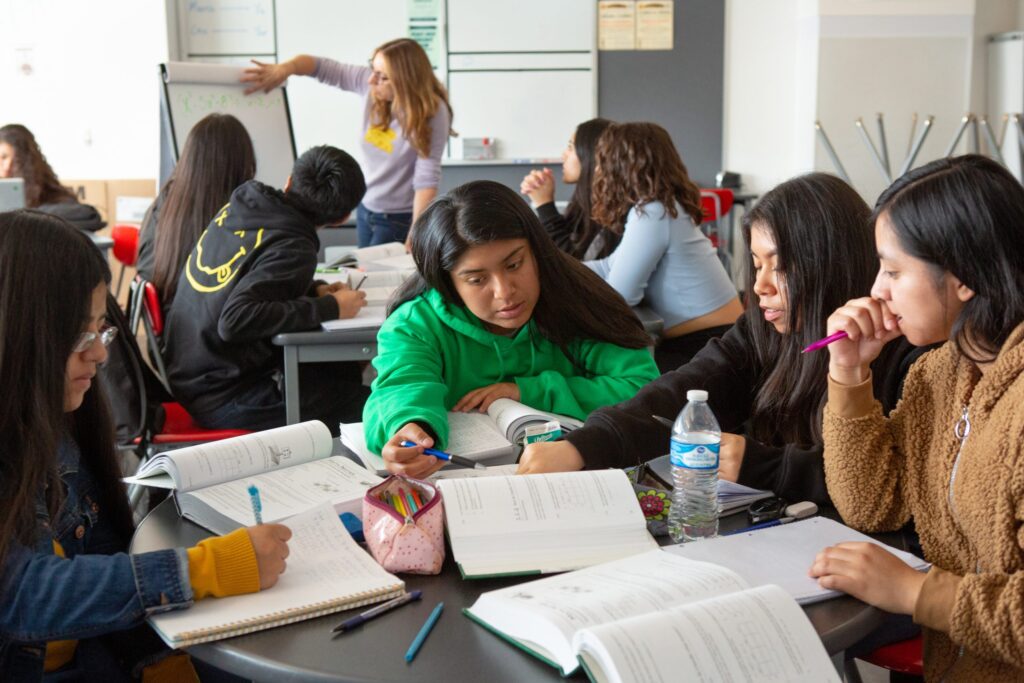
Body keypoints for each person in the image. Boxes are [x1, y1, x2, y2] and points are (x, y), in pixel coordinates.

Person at [518, 173, 931, 509]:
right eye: (755, 264)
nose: (760, 286)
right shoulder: (763, 329)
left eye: (780, 267)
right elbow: (681, 391)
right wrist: (583, 446)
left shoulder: (906, 352)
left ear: (831, 265)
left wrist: (763, 465)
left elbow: (890, 485)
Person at [0, 210, 290, 681]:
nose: (99, 352)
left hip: (101, 652)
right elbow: (24, 596)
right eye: (80, 333)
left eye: (101, 328)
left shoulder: (57, 428)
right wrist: (208, 567)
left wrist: (155, 658)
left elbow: (103, 549)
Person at [809, 155, 1024, 681]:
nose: (877, 290)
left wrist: (914, 591)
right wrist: (849, 374)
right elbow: (871, 504)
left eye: (893, 269)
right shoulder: (940, 374)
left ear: (964, 278)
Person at [365, 180, 660, 479]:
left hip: (580, 478)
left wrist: (528, 391)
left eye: (515, 264)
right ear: (447, 283)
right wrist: (410, 427)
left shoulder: (576, 301)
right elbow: (402, 386)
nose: (505, 292)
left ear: (536, 250)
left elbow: (643, 388)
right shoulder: (416, 324)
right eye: (477, 280)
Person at [162, 146, 370, 435]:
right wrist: (331, 308)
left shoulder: (245, 205)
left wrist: (315, 290)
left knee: (340, 372)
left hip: (189, 372)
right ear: (342, 218)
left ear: (288, 182)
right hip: (223, 395)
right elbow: (235, 320)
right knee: (371, 404)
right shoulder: (295, 245)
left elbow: (247, 277)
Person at [241, 39, 453, 248]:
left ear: (405, 81)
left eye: (383, 77)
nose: (371, 80)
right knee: (366, 271)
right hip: (365, 207)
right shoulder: (369, 85)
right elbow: (320, 67)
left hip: (399, 217)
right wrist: (286, 68)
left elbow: (426, 176)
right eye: (373, 68)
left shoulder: (433, 112)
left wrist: (417, 231)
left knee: (385, 279)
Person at [583, 122, 743, 372]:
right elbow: (609, 266)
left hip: (708, 345)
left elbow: (620, 296)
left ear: (619, 164)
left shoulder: (653, 212)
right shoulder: (660, 208)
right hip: (714, 340)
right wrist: (557, 266)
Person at [136, 113, 257, 310]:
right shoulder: (236, 217)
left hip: (174, 327)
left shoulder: (164, 204)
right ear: (242, 164)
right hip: (210, 333)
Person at [519, 118, 620, 259]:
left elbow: (574, 264)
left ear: (591, 155)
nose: (563, 155)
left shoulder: (612, 211)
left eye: (571, 148)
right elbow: (572, 238)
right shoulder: (587, 199)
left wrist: (544, 205)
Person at [0, 124, 104, 231]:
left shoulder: (47, 190)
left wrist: (29, 217)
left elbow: (87, 214)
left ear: (23, 158)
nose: (4, 165)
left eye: (4, 157)